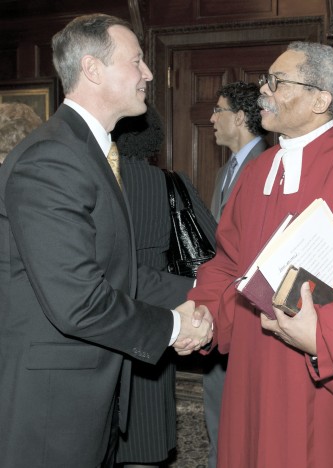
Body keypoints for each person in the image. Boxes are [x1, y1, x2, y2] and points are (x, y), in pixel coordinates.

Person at [0, 14, 212, 468]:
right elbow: (78, 301)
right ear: (93, 69)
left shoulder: (86, 150)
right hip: (50, 410)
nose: (148, 74)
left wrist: (213, 293)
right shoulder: (53, 159)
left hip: (85, 400)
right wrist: (176, 328)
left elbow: (121, 273)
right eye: (136, 61)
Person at [189, 41, 333, 468]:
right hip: (253, 363)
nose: (263, 91)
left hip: (321, 379)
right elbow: (228, 262)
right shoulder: (258, 171)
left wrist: (322, 338)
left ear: (321, 100)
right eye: (266, 80)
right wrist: (205, 310)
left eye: (277, 82)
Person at [111, 105, 217, 467]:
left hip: (103, 312)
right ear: (153, 139)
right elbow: (214, 246)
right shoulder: (171, 182)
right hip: (158, 317)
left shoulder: (94, 181)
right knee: (146, 431)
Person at [205, 81, 268, 468]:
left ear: (241, 117)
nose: (211, 118)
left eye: (219, 109)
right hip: (222, 303)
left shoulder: (268, 163)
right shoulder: (225, 171)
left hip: (250, 308)